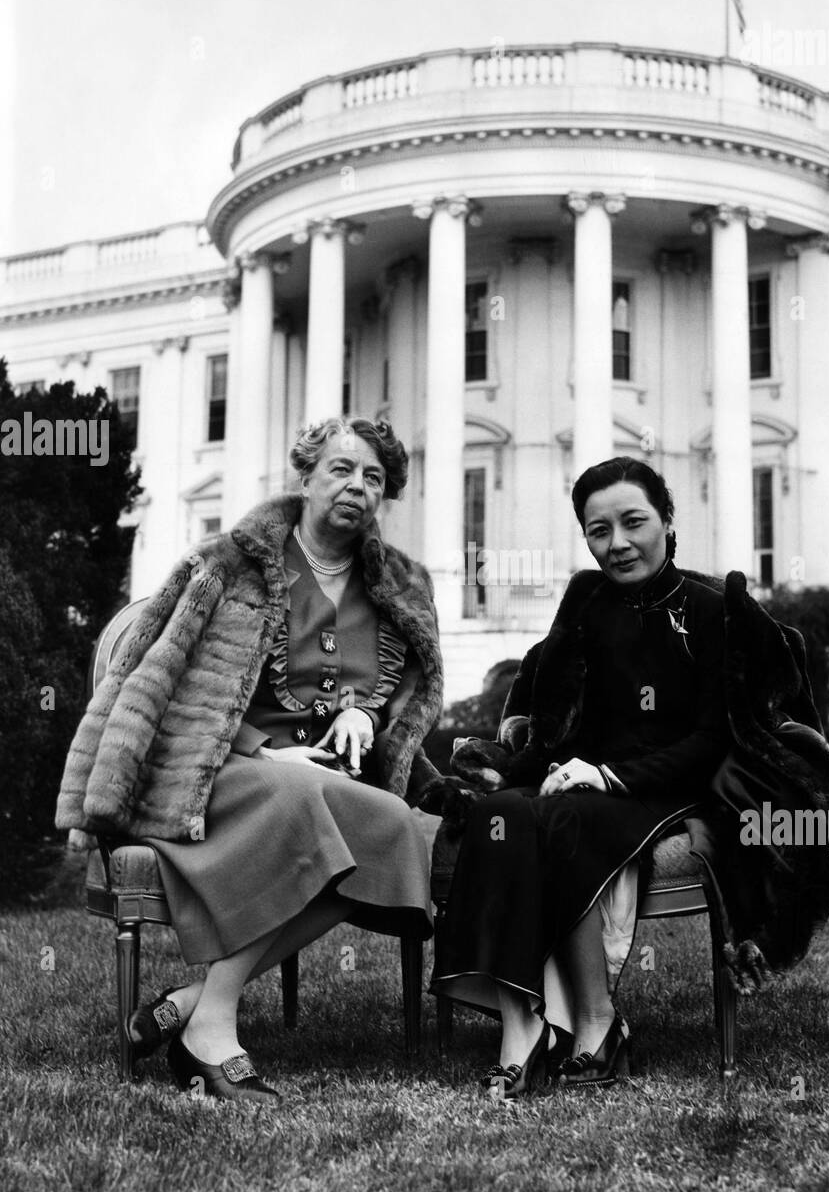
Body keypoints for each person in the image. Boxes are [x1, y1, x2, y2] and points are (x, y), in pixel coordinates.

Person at [58, 417, 443, 1102]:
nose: (357, 486)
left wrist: (363, 711)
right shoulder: (228, 564)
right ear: (306, 476)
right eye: (341, 469)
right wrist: (269, 751)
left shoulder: (398, 585)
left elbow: (402, 689)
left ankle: (189, 1000)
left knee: (390, 826)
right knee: (301, 798)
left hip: (327, 779)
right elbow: (163, 684)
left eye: (374, 477)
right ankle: (213, 1028)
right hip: (214, 771)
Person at [429, 457, 730, 1097]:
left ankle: (597, 1023)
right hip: (579, 776)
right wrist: (513, 770)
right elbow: (554, 717)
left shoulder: (711, 609)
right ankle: (522, 1025)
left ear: (667, 520)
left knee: (566, 817)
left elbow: (714, 740)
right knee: (500, 814)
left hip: (665, 786)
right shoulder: (586, 601)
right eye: (599, 531)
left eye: (632, 522)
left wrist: (611, 776)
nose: (617, 544)